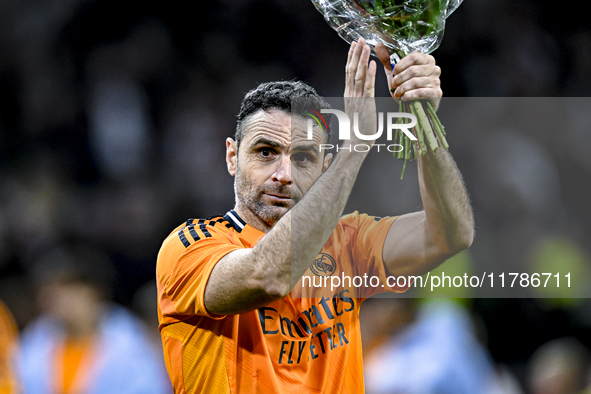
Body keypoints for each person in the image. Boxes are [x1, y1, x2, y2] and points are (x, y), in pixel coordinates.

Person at [156, 38, 474, 393]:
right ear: (232, 157)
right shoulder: (189, 247)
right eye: (265, 152)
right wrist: (354, 149)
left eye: (304, 157)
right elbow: (269, 276)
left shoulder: (349, 241)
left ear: (324, 166)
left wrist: (422, 120)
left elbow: (451, 232)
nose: (284, 174)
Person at [18, 243, 171, 394]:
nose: (60, 300)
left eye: (70, 290)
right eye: (53, 292)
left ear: (94, 293)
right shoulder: (35, 340)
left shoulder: (131, 343)